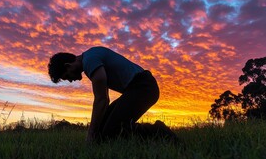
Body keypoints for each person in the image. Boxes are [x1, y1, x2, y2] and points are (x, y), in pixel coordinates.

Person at [48, 46, 177, 143]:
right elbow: (105, 100)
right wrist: (95, 132)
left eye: (67, 77)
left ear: (68, 65)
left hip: (144, 87)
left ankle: (159, 131)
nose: (71, 80)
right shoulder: (90, 58)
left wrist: (90, 133)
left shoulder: (90, 61)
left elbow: (101, 100)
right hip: (135, 89)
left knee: (111, 132)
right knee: (102, 133)